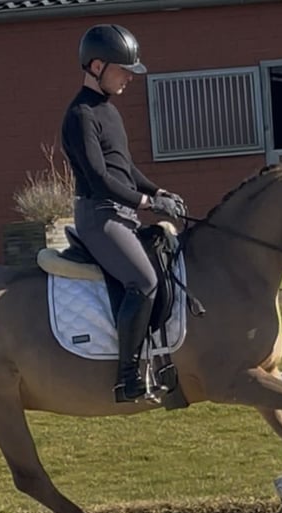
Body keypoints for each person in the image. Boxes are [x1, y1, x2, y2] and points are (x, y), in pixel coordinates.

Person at [61, 23, 186, 403]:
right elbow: (99, 178)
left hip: (121, 213)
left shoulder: (108, 112)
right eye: (123, 69)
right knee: (144, 281)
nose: (129, 77)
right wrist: (147, 204)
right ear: (96, 65)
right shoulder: (80, 114)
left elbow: (124, 168)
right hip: (99, 216)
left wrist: (158, 190)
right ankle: (127, 377)